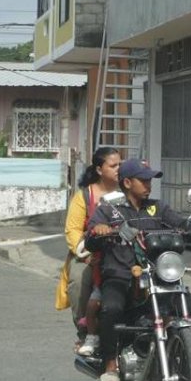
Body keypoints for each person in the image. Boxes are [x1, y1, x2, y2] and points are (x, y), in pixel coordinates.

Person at [86, 158, 191, 381]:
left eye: (150, 180)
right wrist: (99, 230)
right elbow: (91, 239)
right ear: (127, 182)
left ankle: (174, 356)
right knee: (111, 309)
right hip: (121, 277)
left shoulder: (158, 208)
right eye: (143, 180)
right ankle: (110, 366)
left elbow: (182, 225)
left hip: (157, 278)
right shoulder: (110, 208)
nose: (148, 185)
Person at [56, 146, 122, 357]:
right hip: (90, 256)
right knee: (77, 282)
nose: (118, 169)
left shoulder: (128, 191)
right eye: (113, 166)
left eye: (120, 164)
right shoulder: (84, 196)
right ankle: (86, 331)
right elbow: (73, 230)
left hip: (123, 255)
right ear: (100, 169)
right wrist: (86, 254)